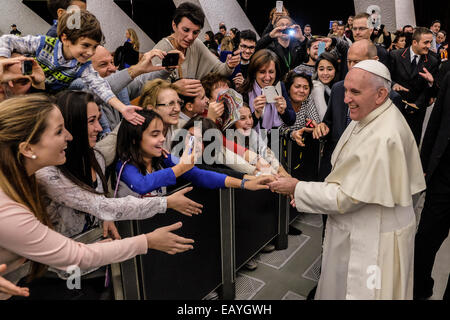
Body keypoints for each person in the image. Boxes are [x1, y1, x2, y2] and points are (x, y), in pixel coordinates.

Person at [0, 94, 195, 300]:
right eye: (59, 131)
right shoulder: (24, 195)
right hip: (54, 276)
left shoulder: (95, 157)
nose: (69, 136)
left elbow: (101, 201)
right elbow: (78, 253)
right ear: (28, 148)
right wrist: (148, 239)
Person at [268, 60, 426, 300]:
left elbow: (348, 197)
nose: (345, 99)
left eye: (355, 92)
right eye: (347, 90)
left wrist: (296, 188)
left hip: (372, 237)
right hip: (364, 225)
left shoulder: (383, 137)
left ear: (381, 94)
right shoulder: (374, 113)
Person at [0, 10, 144, 126]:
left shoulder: (83, 66)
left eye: (94, 47)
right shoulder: (43, 44)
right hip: (22, 90)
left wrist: (123, 108)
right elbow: (7, 39)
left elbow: (102, 88)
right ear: (65, 39)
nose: (91, 53)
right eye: (86, 45)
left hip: (44, 99)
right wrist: (3, 62)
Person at [115, 109, 273, 199]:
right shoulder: (124, 165)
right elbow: (142, 185)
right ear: (135, 139)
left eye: (162, 133)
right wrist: (181, 167)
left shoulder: (164, 158)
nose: (163, 139)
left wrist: (245, 183)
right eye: (155, 135)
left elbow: (201, 175)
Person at [69, 46, 171, 133]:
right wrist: (137, 69)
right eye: (103, 64)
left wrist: (165, 68)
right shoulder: (78, 90)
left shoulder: (121, 87)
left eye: (112, 62)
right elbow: (101, 88)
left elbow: (141, 82)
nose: (113, 69)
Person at [151, 2, 240, 98]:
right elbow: (152, 92)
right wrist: (174, 87)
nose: (190, 37)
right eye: (185, 30)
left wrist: (229, 66)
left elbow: (220, 69)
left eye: (195, 32)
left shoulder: (196, 44)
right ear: (174, 25)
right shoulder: (160, 51)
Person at [414, 71, 450, 301]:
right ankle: (419, 289)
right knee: (425, 239)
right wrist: (424, 165)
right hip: (444, 175)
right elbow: (436, 121)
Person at [389, 27, 439, 144]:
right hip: (395, 108)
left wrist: (431, 82)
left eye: (430, 42)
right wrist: (394, 84)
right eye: (425, 42)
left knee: (411, 145)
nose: (429, 46)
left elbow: (431, 91)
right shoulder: (395, 55)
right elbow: (386, 78)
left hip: (417, 112)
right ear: (414, 42)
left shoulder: (432, 61)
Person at [241, 49, 296, 132]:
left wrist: (283, 112)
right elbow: (242, 127)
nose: (267, 77)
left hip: (274, 137)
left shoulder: (279, 86)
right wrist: (256, 114)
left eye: (271, 72)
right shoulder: (245, 91)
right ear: (254, 72)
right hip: (251, 139)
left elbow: (291, 120)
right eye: (262, 72)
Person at [279, 71, 320, 145]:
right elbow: (277, 129)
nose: (302, 91)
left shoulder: (308, 100)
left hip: (299, 147)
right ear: (288, 88)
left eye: (306, 88)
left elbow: (315, 122)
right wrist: (293, 134)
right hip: (277, 145)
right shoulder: (281, 102)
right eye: (297, 87)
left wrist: (314, 127)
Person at [311, 52, 339, 120]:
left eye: (329, 69)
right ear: (316, 70)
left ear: (335, 70)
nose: (325, 73)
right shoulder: (314, 87)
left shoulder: (340, 87)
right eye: (321, 69)